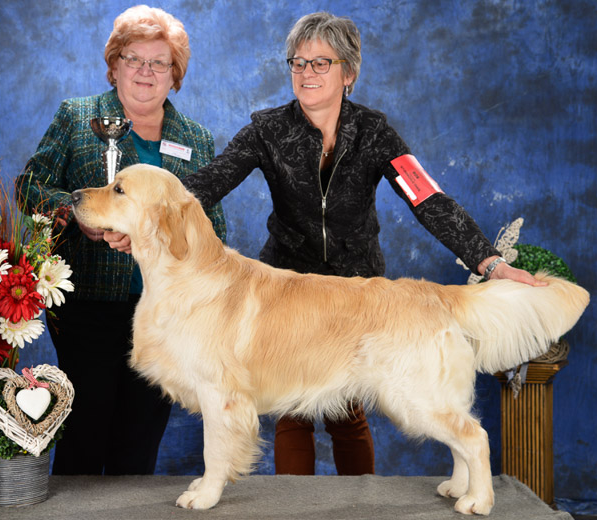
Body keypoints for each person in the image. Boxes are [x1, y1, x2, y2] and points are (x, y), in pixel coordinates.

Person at [104, 11, 543, 475]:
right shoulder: (266, 129)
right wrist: (149, 219)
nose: (307, 73)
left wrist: (490, 264)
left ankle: (359, 503)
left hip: (356, 294)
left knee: (349, 416)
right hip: (286, 293)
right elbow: (208, 183)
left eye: (321, 63)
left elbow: (427, 198)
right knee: (291, 416)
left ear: (348, 72)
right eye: (298, 63)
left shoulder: (375, 132)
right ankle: (296, 507)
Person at [16, 5, 226, 476]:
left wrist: (162, 239)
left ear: (176, 75)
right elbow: (30, 187)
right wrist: (75, 216)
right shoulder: (78, 117)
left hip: (167, 315)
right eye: (134, 59)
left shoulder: (197, 139)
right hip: (87, 305)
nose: (146, 72)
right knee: (84, 436)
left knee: (139, 443)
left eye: (160, 62)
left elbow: (214, 229)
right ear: (114, 67)